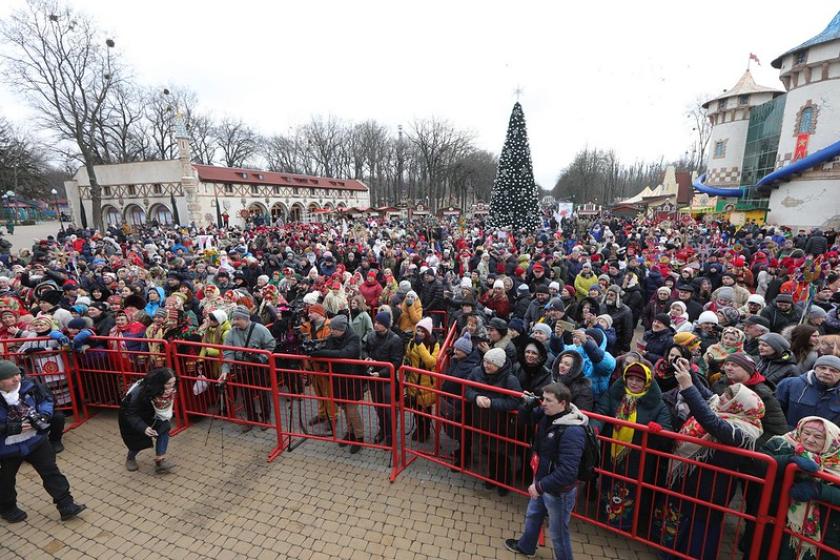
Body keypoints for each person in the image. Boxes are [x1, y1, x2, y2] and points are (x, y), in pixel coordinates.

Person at [658, 359, 765, 559]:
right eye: (725, 394)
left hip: (710, 489)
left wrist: (688, 386)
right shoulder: (724, 408)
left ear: (738, 405)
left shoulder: (742, 431)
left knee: (699, 530)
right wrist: (690, 371)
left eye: (727, 397)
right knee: (680, 519)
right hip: (692, 480)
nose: (721, 398)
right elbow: (709, 397)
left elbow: (709, 420)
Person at [505, 382, 587, 560]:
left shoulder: (573, 431)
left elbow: (568, 472)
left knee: (558, 533)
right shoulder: (548, 413)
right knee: (533, 515)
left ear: (563, 403)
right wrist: (527, 405)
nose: (544, 403)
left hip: (558, 491)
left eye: (549, 400)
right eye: (543, 399)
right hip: (542, 479)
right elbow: (524, 421)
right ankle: (526, 547)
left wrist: (540, 486)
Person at [0, 360, 85, 523]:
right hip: (6, 448)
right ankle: (8, 508)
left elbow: (46, 399)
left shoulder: (29, 384)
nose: (16, 379)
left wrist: (45, 414)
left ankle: (66, 505)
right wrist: (10, 428)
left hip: (35, 440)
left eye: (16, 374)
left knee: (51, 471)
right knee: (5, 481)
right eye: (10, 377)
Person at [592, 362, 672, 531]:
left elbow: (667, 429)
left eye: (639, 380)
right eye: (631, 379)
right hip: (612, 452)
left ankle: (625, 524)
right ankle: (606, 516)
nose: (634, 383)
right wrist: (595, 427)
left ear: (647, 383)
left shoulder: (657, 403)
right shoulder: (614, 394)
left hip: (637, 458)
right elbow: (601, 411)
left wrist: (658, 430)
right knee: (609, 482)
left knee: (629, 489)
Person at [762, 416, 840, 560]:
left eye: (818, 436)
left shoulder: (836, 462)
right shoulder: (783, 443)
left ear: (831, 440)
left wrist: (819, 490)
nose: (810, 439)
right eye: (806, 432)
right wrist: (789, 459)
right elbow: (760, 464)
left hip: (825, 530)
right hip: (776, 521)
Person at [465, 347, 522, 495]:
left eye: (491, 363)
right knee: (489, 451)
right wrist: (476, 397)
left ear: (500, 365)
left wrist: (492, 403)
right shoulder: (477, 371)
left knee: (501, 453)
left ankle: (504, 481)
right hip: (481, 420)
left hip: (500, 423)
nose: (487, 365)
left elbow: (515, 400)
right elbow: (467, 388)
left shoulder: (510, 379)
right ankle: (492, 477)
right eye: (485, 361)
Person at [309, 314, 365, 453]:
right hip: (338, 379)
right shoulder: (333, 337)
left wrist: (321, 353)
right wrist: (317, 352)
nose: (331, 331)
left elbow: (343, 354)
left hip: (352, 380)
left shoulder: (354, 338)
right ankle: (350, 433)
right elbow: (330, 351)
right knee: (345, 409)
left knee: (352, 410)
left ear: (342, 329)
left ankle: (359, 437)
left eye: (333, 329)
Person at [219, 305, 276, 432]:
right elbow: (228, 352)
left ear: (246, 319)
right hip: (242, 367)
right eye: (233, 319)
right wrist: (225, 370)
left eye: (238, 319)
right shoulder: (231, 333)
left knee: (262, 393)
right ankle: (251, 418)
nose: (234, 322)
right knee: (246, 394)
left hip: (258, 366)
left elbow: (271, 345)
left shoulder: (260, 329)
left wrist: (261, 358)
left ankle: (266, 418)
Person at [119, 368, 178, 474]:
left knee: (164, 427)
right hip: (132, 417)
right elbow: (130, 413)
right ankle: (131, 457)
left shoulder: (160, 388)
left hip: (151, 414)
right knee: (138, 439)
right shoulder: (138, 392)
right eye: (169, 383)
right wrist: (144, 427)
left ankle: (160, 462)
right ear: (160, 382)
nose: (172, 386)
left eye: (173, 383)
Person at [363, 312, 404, 446]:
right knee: (378, 407)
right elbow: (364, 350)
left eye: (379, 323)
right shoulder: (371, 336)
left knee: (389, 409)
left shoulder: (395, 339)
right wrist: (366, 358)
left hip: (387, 380)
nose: (376, 325)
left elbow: (396, 362)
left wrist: (382, 373)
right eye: (375, 322)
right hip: (373, 377)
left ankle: (390, 435)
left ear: (386, 325)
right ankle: (383, 430)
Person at [777, 354, 840, 426]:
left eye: (833, 371)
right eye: (822, 368)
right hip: (791, 434)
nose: (827, 372)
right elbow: (775, 413)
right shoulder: (790, 384)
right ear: (815, 369)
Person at [404, 317, 439, 442]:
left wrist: (420, 346)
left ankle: (426, 430)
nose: (419, 333)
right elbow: (408, 356)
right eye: (418, 330)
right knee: (416, 410)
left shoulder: (434, 344)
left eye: (422, 331)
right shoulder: (412, 342)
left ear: (427, 333)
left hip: (427, 383)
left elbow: (431, 362)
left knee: (426, 410)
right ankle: (419, 429)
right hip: (414, 381)